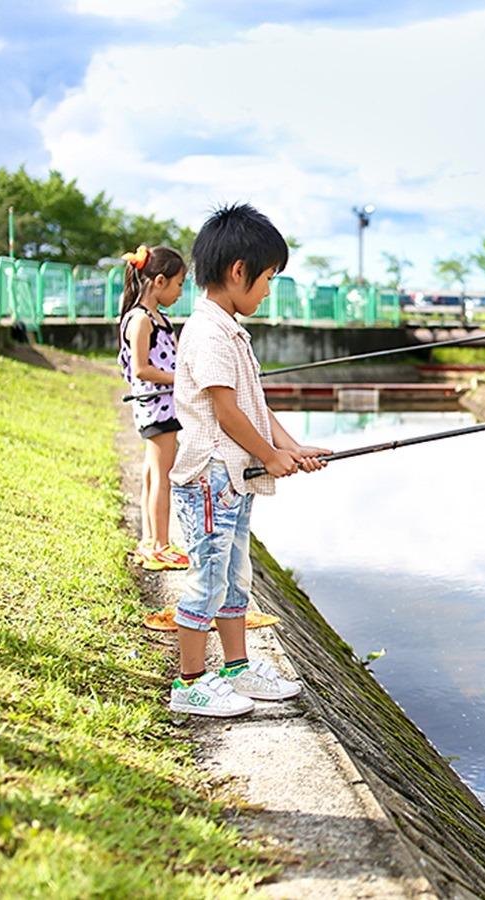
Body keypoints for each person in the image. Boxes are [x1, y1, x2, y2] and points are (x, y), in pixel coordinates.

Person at [167, 203, 330, 717]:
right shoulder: (209, 332)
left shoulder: (231, 331)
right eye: (267, 279)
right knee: (208, 578)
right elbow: (226, 411)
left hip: (234, 479)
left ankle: (237, 668)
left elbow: (254, 406)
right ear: (238, 271)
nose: (266, 291)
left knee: (236, 577)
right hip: (211, 480)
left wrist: (289, 448)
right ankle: (189, 682)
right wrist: (269, 455)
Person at [118, 244, 190, 572]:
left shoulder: (160, 319)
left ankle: (151, 540)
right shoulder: (141, 320)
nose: (180, 292)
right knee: (162, 475)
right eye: (178, 284)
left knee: (152, 473)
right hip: (157, 408)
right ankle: (161, 545)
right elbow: (142, 369)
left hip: (164, 406)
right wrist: (180, 380)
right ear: (159, 281)